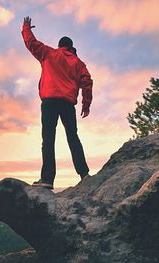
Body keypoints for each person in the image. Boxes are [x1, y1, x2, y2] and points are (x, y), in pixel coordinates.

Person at [22, 16, 93, 190]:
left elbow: (31, 42)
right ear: (71, 47)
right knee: (72, 137)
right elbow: (87, 82)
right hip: (68, 104)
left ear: (60, 45)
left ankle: (47, 179)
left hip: (49, 102)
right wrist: (86, 105)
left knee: (48, 139)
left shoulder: (49, 53)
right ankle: (84, 174)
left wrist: (26, 26)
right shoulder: (78, 62)